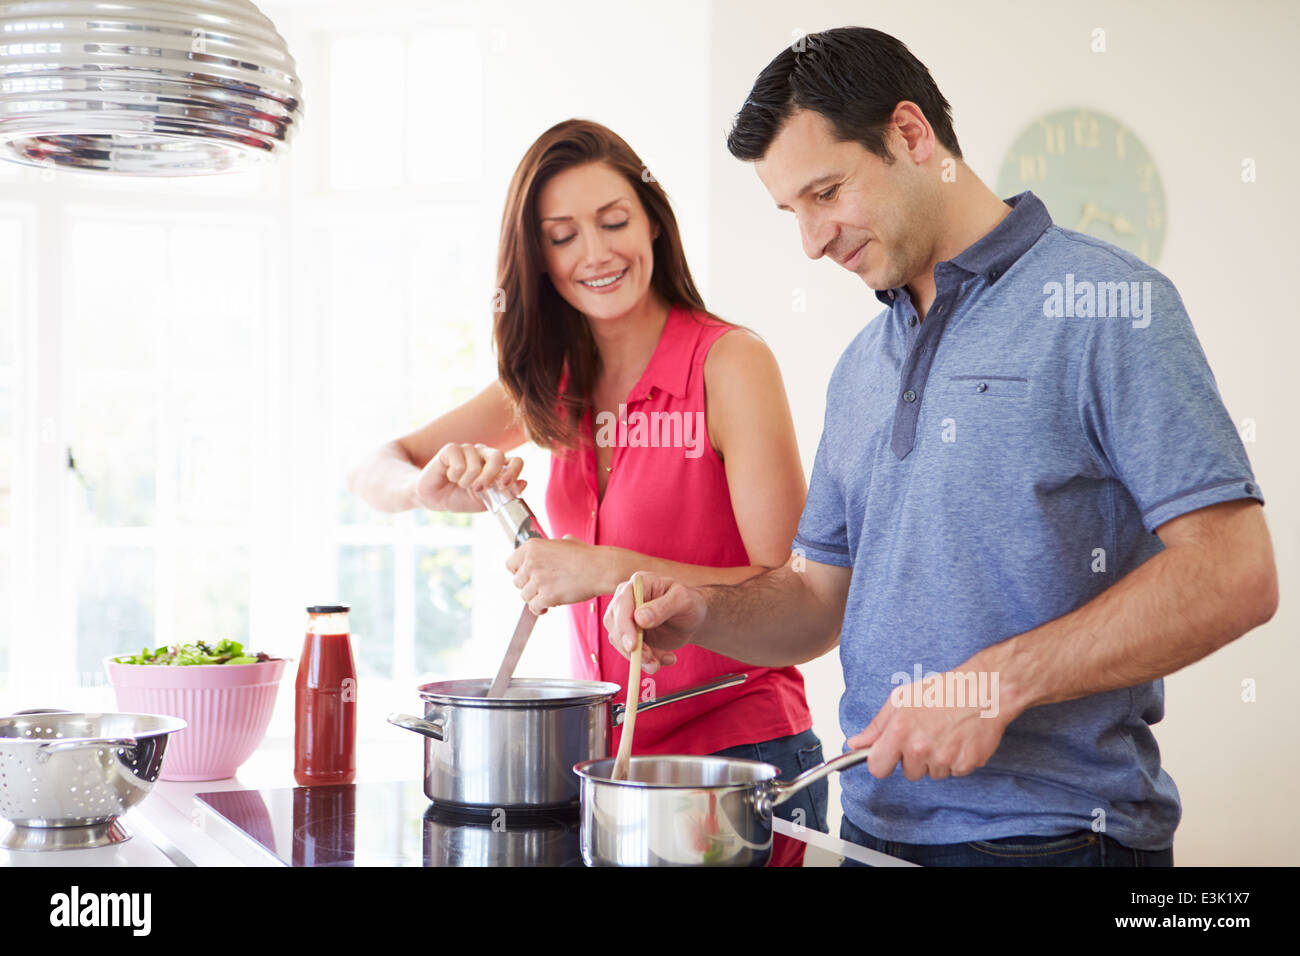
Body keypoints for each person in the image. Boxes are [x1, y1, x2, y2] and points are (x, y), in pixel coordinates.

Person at [604, 27, 1278, 867]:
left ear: (911, 135)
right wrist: (703, 611)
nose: (811, 242)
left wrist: (994, 683)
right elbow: (817, 599)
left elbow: (1235, 573)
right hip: (875, 837)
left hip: (1059, 846)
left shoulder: (1110, 307)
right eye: (792, 212)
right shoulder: (861, 366)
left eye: (827, 193)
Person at [348, 118, 826, 865]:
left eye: (613, 222)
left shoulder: (730, 364)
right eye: (563, 235)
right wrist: (425, 488)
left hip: (737, 759)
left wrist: (606, 567)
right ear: (537, 257)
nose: (596, 254)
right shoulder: (549, 382)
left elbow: (797, 589)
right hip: (611, 770)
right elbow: (373, 466)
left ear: (653, 225)